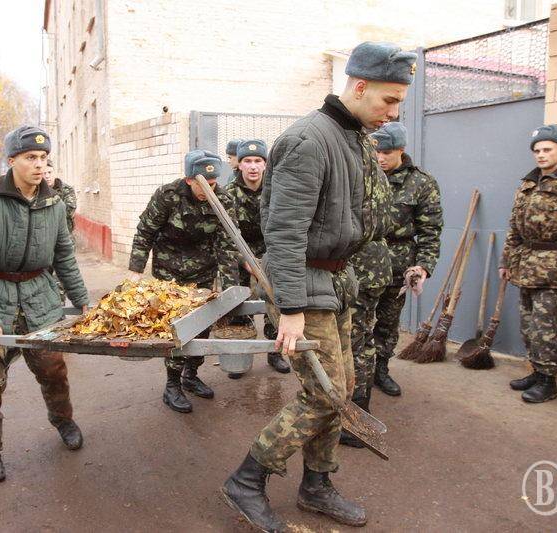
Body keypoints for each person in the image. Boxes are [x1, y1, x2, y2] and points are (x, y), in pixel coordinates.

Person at [221, 42, 418, 531]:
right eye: (389, 100)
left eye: (399, 102)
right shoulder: (309, 140)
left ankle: (316, 484)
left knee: (341, 389)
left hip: (335, 279)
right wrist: (290, 309)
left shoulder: (352, 137)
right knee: (324, 393)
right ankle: (247, 479)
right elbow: (285, 232)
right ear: (360, 86)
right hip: (304, 284)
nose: (394, 112)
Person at [0, 126, 90, 482]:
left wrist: (82, 300)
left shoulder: (55, 204)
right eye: (30, 157)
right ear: (11, 161)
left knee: (54, 372)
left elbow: (64, 257)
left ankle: (63, 420)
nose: (39, 165)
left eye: (43, 158)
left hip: (41, 300)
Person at [128, 150, 240, 413]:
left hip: (203, 271)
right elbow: (145, 231)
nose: (209, 189)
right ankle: (172, 385)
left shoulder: (223, 199)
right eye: (203, 184)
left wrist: (230, 288)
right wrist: (135, 269)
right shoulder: (167, 196)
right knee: (179, 329)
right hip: (170, 272)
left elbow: (227, 245)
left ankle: (191, 375)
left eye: (213, 183)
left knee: (203, 326)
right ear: (189, 179)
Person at [500, 125, 557, 403]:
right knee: (528, 326)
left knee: (545, 328)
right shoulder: (527, 184)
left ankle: (548, 381)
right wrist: (507, 261)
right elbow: (514, 228)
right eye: (537, 150)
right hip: (526, 265)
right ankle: (537, 372)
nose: (541, 155)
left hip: (555, 269)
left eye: (547, 149)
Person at [371, 122, 443, 398]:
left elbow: (430, 230)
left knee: (388, 323)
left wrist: (423, 265)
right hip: (361, 263)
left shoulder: (421, 182)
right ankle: (355, 373)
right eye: (376, 152)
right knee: (355, 322)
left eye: (387, 152)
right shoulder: (363, 174)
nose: (380, 158)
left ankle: (380, 370)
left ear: (401, 150)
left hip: (397, 265)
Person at [339, 140, 393, 448]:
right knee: (364, 340)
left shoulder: (356, 175)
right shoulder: (376, 174)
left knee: (354, 342)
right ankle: (360, 408)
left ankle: (356, 418)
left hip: (360, 268)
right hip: (374, 266)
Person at [225, 139, 291, 378]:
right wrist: (245, 260)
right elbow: (226, 234)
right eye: (247, 161)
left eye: (258, 161)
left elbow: (286, 226)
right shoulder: (228, 194)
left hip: (272, 256)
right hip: (241, 258)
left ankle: (275, 353)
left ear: (265, 164)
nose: (253, 166)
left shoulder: (277, 191)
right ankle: (241, 355)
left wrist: (272, 259)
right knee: (241, 308)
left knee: (276, 304)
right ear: (239, 164)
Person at [44, 160, 77, 233]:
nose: (47, 176)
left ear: (54, 173)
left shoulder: (66, 189)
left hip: (63, 232)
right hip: (44, 233)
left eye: (49, 172)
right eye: (44, 173)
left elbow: (69, 210)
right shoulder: (37, 190)